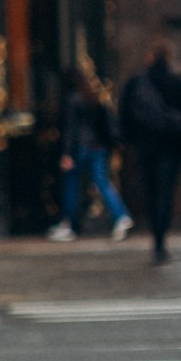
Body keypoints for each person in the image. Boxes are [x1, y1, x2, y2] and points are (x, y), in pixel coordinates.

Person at [118, 42, 181, 266]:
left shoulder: (137, 84)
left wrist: (129, 143)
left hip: (146, 148)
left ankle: (157, 235)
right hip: (171, 149)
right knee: (165, 192)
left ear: (150, 57)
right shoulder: (178, 84)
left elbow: (124, 117)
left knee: (151, 191)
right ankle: (160, 240)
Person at [48, 67, 133, 243]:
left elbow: (71, 130)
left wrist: (66, 154)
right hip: (98, 147)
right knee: (102, 182)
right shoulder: (92, 97)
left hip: (80, 148)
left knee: (71, 185)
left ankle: (70, 224)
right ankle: (121, 215)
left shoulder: (72, 100)